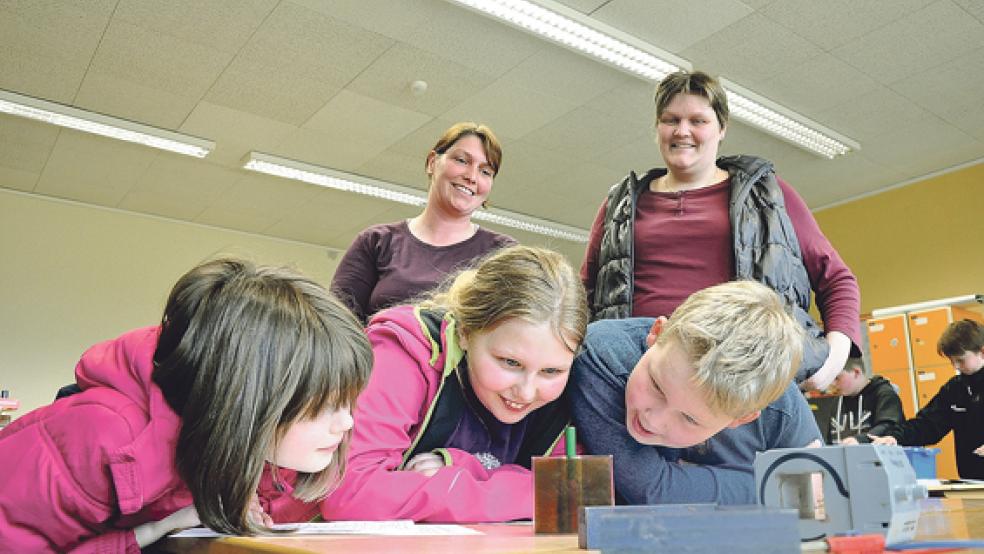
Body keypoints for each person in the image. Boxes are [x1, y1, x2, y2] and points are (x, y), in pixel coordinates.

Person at [0, 258, 372, 551]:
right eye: (325, 405)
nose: (347, 423)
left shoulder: (244, 440)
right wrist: (152, 531)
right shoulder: (100, 433)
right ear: (247, 399)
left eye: (348, 402)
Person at [581, 69, 860, 391]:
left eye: (698, 120)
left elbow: (837, 279)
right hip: (631, 378)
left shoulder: (768, 195)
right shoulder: (619, 204)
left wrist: (832, 362)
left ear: (722, 128)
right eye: (671, 120)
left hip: (741, 378)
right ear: (657, 128)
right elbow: (583, 294)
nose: (682, 130)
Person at [321, 245, 589, 522]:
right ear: (464, 332)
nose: (526, 392)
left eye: (551, 371)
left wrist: (466, 468)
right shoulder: (404, 353)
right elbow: (350, 492)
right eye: (510, 362)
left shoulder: (572, 385)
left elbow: (580, 494)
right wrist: (532, 494)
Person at [570, 280, 822, 505]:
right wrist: (772, 484)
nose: (652, 420)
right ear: (657, 333)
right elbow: (652, 489)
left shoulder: (781, 410)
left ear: (741, 418)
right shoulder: (602, 356)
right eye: (657, 385)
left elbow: (812, 493)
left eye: (690, 419)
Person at [331, 121, 516, 323]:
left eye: (485, 171)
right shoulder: (376, 241)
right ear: (432, 162)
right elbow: (335, 324)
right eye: (462, 160)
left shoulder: (503, 254)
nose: (472, 177)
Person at [872, 319, 984, 479]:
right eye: (952, 361)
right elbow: (927, 424)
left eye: (960, 360)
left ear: (982, 352)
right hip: (973, 481)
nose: (955, 366)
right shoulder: (955, 388)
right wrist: (895, 437)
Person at [829, 356, 904, 445]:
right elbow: (830, 438)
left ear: (856, 372)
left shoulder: (884, 394)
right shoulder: (837, 402)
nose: (832, 384)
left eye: (837, 378)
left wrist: (860, 440)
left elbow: (889, 427)